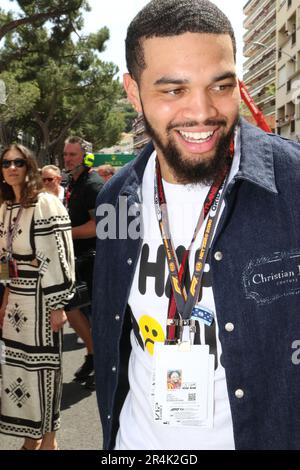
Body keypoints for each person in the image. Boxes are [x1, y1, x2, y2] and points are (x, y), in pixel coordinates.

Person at [92, 0, 300, 451]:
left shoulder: (294, 187)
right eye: (174, 90)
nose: (203, 112)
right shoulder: (116, 199)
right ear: (133, 91)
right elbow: (115, 331)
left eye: (220, 86)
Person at [0, 144, 75, 450]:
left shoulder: (45, 203)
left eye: (19, 162)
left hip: (42, 298)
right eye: (6, 163)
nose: (12, 167)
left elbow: (58, 257)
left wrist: (58, 305)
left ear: (29, 166)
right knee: (19, 373)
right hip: (16, 299)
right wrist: (5, 295)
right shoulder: (6, 207)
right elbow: (6, 258)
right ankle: (31, 437)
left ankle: (49, 440)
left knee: (45, 371)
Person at [63, 136, 104, 384]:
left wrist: (63, 231)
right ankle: (93, 354)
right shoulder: (72, 182)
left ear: (86, 157)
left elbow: (98, 227)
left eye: (73, 155)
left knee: (78, 308)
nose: (67, 159)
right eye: (66, 154)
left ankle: (97, 357)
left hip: (90, 258)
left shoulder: (93, 185)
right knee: (72, 307)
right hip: (73, 256)